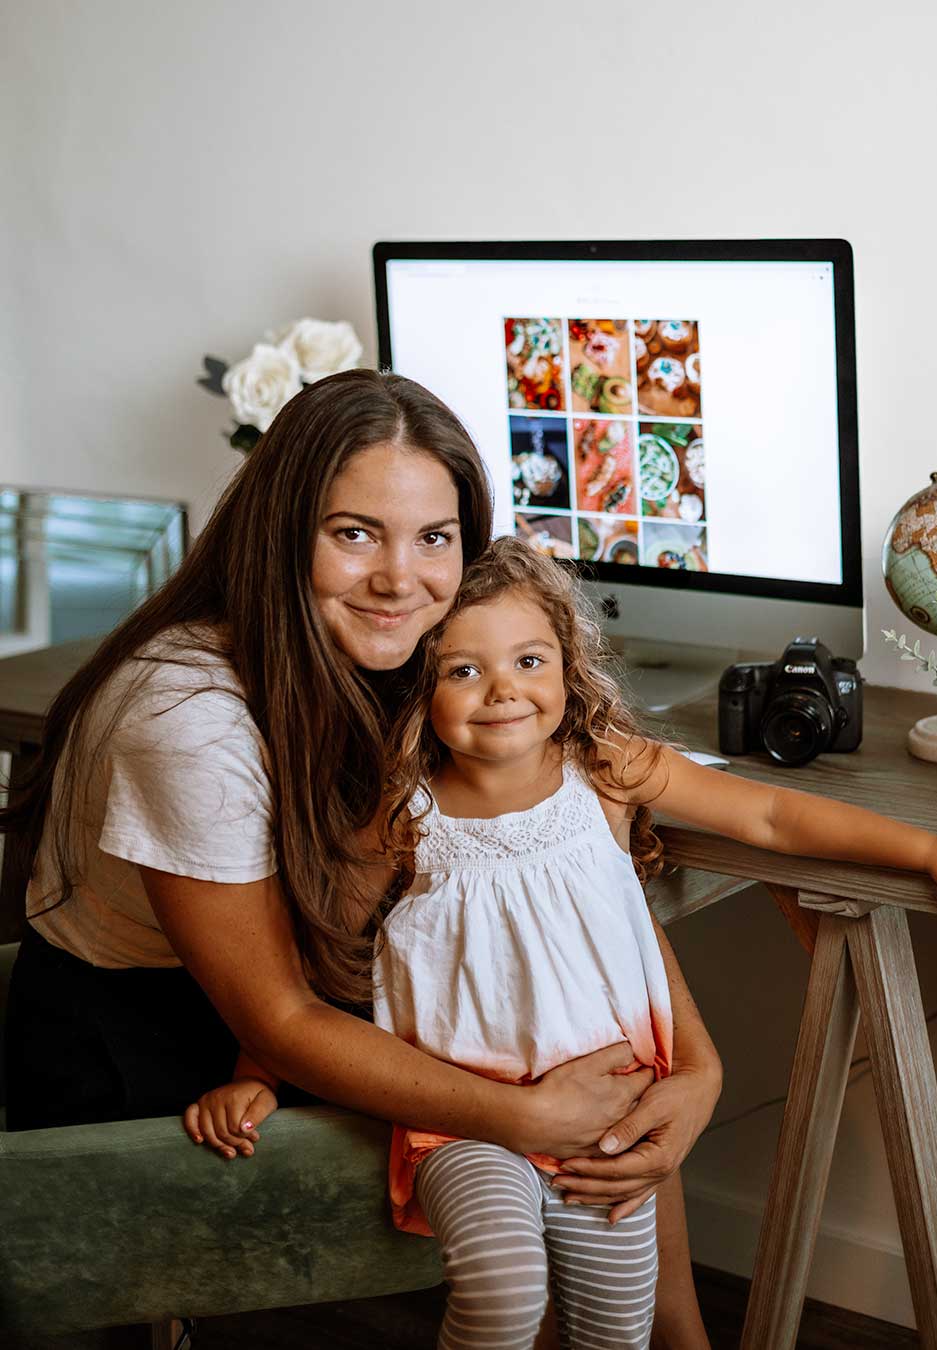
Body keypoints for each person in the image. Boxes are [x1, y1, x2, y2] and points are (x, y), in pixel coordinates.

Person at [185, 536, 937, 1349]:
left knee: (619, 1326)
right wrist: (253, 1073)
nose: (503, 690)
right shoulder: (399, 813)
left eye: (530, 661)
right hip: (461, 1120)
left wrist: (931, 849)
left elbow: (768, 812)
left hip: (611, 1114)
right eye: (463, 669)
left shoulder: (603, 769)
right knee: (502, 1294)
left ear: (568, 667)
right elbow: (315, 957)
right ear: (420, 689)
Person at [0, 370, 718, 1349]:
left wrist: (702, 1069)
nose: (400, 578)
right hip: (154, 1026)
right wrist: (527, 1119)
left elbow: (571, 887)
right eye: (353, 533)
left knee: (589, 1067)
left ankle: (672, 1331)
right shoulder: (185, 718)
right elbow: (280, 1015)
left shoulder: (428, 657)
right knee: (565, 1129)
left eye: (433, 537)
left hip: (332, 974)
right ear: (283, 531)